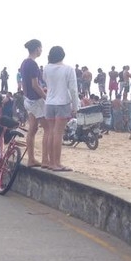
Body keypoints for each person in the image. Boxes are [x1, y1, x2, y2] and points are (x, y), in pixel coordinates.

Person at [41, 45, 78, 171]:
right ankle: (56, 162)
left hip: (49, 102)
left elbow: (46, 82)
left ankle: (51, 162)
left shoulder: (46, 68)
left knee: (51, 132)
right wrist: (75, 106)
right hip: (62, 102)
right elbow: (73, 89)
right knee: (58, 134)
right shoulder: (68, 69)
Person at [20, 39, 46, 168]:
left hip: (28, 100)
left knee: (33, 129)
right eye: (41, 48)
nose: (41, 50)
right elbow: (35, 85)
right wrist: (46, 97)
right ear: (37, 49)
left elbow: (25, 85)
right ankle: (46, 160)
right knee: (48, 129)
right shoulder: (33, 64)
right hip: (36, 100)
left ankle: (31, 158)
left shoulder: (24, 63)